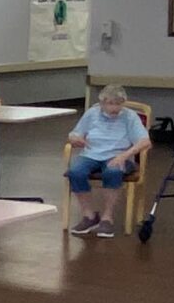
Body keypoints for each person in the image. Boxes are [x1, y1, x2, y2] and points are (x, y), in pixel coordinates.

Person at [64, 84, 150, 237]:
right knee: (75, 172)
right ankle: (89, 216)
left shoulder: (130, 117)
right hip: (91, 154)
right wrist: (76, 139)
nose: (115, 108)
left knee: (112, 172)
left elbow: (145, 142)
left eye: (118, 103)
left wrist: (124, 156)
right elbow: (73, 134)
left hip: (118, 154)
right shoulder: (92, 113)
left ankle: (107, 218)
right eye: (110, 103)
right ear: (102, 103)